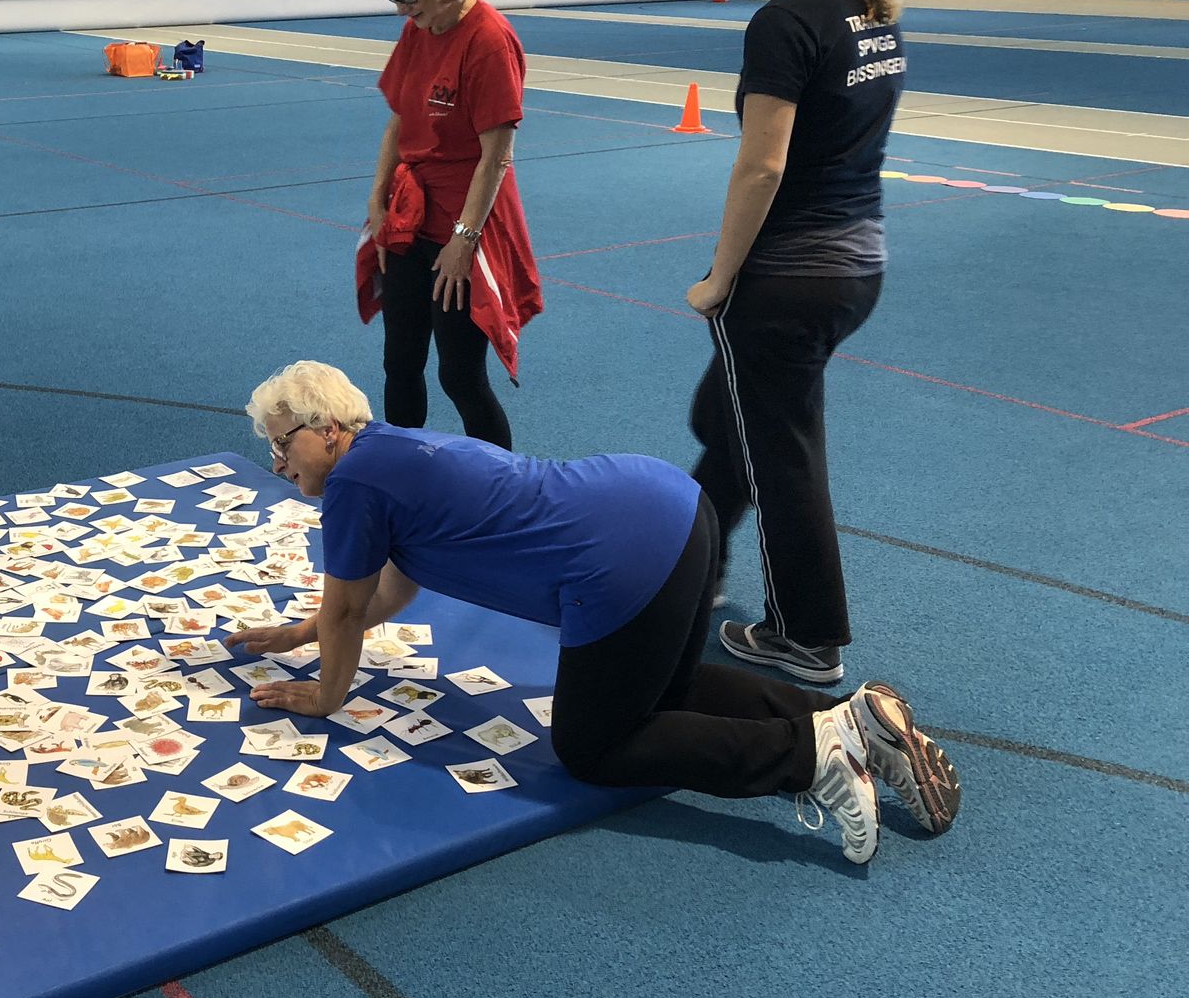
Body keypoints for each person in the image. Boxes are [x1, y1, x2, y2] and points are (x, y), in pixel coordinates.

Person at [228, 361, 959, 865]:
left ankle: (809, 756)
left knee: (593, 746)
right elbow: (390, 591)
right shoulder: (389, 449)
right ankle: (851, 720)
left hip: (617, 559)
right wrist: (302, 632)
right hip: (671, 503)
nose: (278, 463)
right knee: (665, 690)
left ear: (328, 429)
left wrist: (326, 696)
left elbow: (348, 612)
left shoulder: (353, 482)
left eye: (283, 443)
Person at [686, 0, 908, 684]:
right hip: (855, 263)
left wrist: (720, 278)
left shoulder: (785, 20)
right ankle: (695, 564)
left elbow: (762, 166)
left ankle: (807, 637)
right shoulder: (862, 0)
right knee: (725, 417)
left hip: (792, 272)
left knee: (778, 451)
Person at [360, 0, 543, 451]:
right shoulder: (419, 28)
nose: (401, 9)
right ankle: (402, 472)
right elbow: (399, 119)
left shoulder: (489, 41)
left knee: (460, 375)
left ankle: (502, 484)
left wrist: (464, 241)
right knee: (400, 361)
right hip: (410, 217)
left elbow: (497, 156)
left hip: (467, 218)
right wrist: (378, 199)